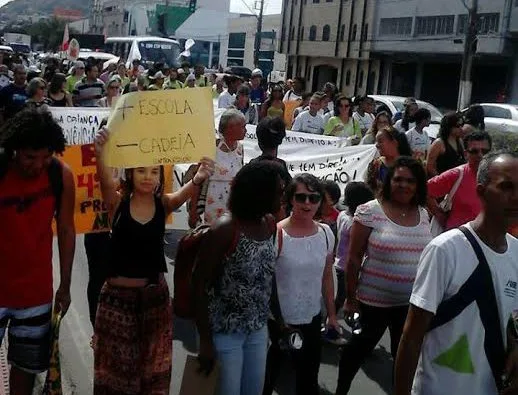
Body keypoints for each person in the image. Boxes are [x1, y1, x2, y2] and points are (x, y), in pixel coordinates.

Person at [93, 127, 214, 394]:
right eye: (141, 171)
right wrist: (101, 152)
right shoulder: (117, 203)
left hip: (155, 303)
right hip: (116, 304)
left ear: (161, 176)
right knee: (115, 377)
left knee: (153, 376)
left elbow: (188, 190)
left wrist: (201, 175)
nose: (148, 177)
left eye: (154, 171)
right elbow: (103, 179)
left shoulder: (165, 204)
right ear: (130, 174)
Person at [394, 151, 518, 395]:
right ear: (481, 192)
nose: (516, 197)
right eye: (506, 187)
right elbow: (411, 337)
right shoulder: (445, 250)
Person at [336, 156, 432, 394]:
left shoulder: (424, 214)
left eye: (410, 181)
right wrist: (350, 298)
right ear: (389, 181)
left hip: (410, 306)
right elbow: (354, 258)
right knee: (356, 352)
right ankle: (341, 390)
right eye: (398, 179)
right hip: (371, 303)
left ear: (418, 185)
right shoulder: (369, 211)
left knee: (404, 360)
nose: (404, 185)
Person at [0, 109, 75, 395]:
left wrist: (65, 286)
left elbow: (67, 230)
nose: (38, 165)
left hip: (36, 296)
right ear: (14, 149)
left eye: (45, 157)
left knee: (26, 370)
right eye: (31, 157)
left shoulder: (60, 175)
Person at [194, 161, 284, 395]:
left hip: (257, 329)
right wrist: (205, 341)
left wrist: (280, 321)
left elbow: (267, 275)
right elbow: (199, 285)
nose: (283, 198)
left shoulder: (269, 224)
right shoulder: (224, 229)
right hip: (224, 333)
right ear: (261, 193)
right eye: (279, 192)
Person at [263, 173, 338, 395]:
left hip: (312, 319)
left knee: (308, 379)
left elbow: (326, 277)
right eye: (301, 197)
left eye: (314, 198)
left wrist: (332, 314)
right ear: (290, 199)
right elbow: (266, 282)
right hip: (278, 322)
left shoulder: (326, 234)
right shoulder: (276, 234)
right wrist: (278, 322)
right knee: (268, 379)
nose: (307, 203)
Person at [189, 109, 246, 227]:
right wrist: (193, 212)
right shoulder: (211, 149)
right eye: (242, 126)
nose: (245, 130)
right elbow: (197, 182)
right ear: (230, 128)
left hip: (233, 206)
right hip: (213, 205)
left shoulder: (240, 149)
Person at [427, 131, 492, 232]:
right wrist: (439, 214)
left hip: (488, 241)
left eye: (485, 151)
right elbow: (425, 190)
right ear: (466, 154)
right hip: (458, 241)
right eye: (474, 151)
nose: (480, 155)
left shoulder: (499, 177)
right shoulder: (457, 175)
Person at [333, 182, 374, 319]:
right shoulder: (354, 224)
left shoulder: (342, 215)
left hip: (340, 263)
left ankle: (331, 317)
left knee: (341, 296)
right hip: (348, 267)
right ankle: (331, 319)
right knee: (346, 297)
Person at [366, 126, 412, 193]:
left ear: (394, 143)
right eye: (376, 141)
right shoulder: (375, 165)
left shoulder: (411, 166)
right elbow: (370, 190)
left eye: (380, 141)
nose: (376, 145)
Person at [426, 112, 466, 177]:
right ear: (449, 127)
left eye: (462, 125)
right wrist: (440, 179)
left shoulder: (459, 141)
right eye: (458, 126)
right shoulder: (439, 143)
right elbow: (430, 167)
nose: (461, 128)